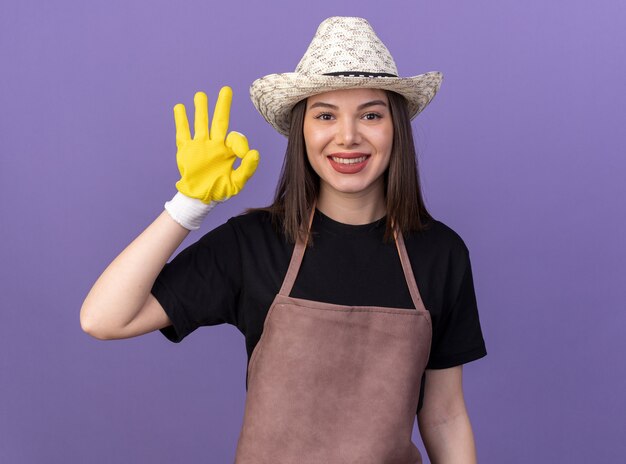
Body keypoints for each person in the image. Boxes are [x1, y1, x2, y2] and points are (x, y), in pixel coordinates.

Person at [81, 16, 486, 463]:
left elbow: (445, 414)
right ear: (302, 131)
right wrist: (188, 204)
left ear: (397, 130)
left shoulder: (441, 254)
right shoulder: (252, 245)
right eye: (325, 115)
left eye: (371, 114)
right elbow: (103, 318)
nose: (347, 136)